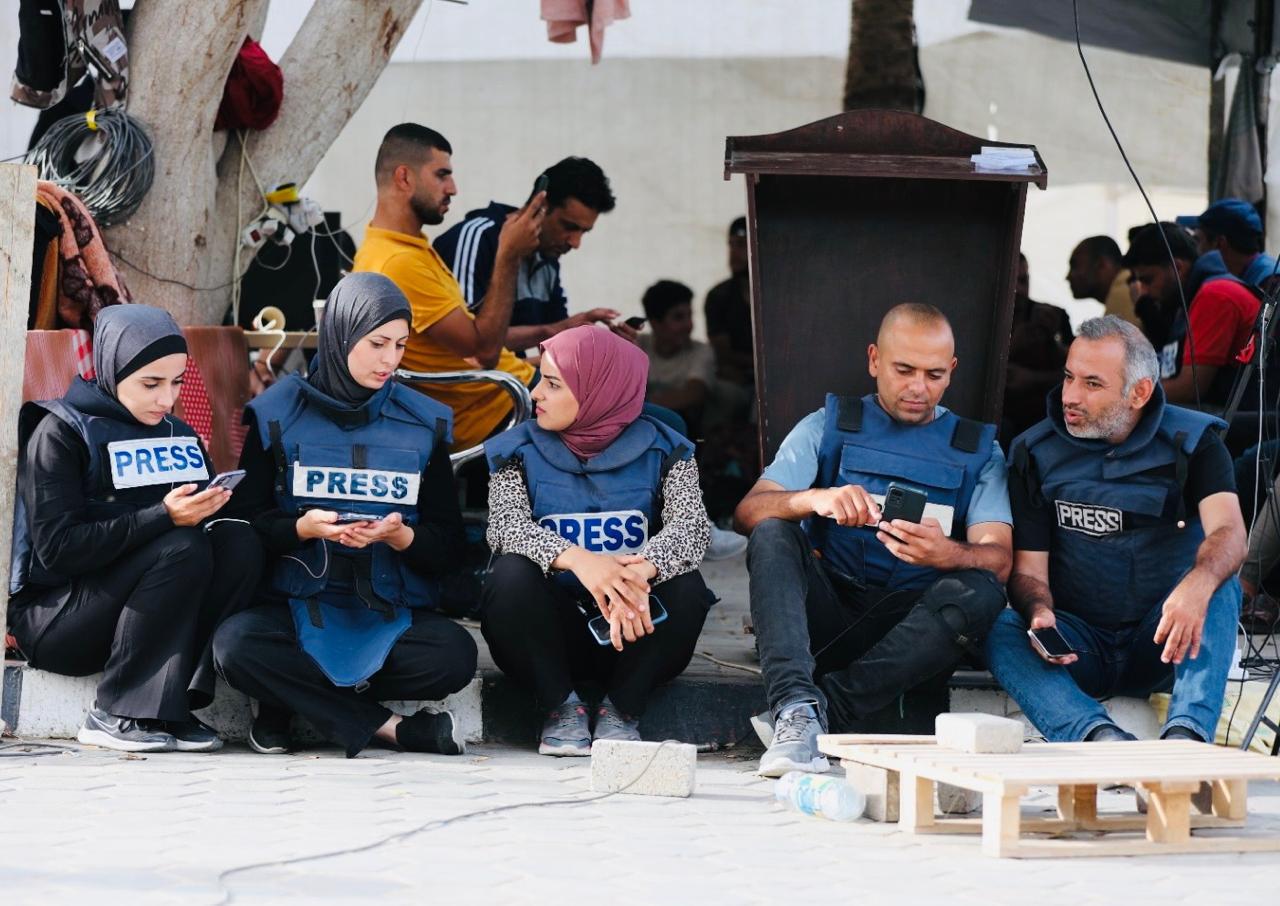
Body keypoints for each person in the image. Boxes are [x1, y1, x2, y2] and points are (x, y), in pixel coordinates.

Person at [734, 303, 1012, 777]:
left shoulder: (977, 448)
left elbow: (999, 559)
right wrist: (815, 499)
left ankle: (823, 714)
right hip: (829, 610)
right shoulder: (829, 426)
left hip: (912, 631)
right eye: (904, 370)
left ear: (952, 372)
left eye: (934, 374)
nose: (918, 387)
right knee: (773, 535)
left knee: (982, 589)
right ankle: (794, 703)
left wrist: (948, 553)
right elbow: (748, 512)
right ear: (874, 361)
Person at [213, 274, 477, 758]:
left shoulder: (423, 424)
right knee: (235, 646)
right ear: (340, 334)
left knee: (455, 656)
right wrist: (300, 527)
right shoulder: (275, 416)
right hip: (294, 608)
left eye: (399, 345)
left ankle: (281, 704)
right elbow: (245, 524)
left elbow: (450, 545)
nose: (390, 360)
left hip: (386, 611)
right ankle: (394, 729)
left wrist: (401, 538)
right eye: (377, 344)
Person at [6, 304, 262, 753]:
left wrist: (214, 508)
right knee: (180, 545)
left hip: (147, 606)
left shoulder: (179, 435)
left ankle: (173, 704)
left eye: (176, 383)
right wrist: (162, 516)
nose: (166, 399)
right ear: (111, 369)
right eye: (151, 383)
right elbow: (58, 551)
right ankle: (116, 712)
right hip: (58, 617)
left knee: (237, 541)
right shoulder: (62, 433)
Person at [986, 316, 1245, 743]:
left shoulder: (1194, 443)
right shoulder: (1034, 452)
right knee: (1000, 627)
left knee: (1220, 582)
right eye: (1069, 377)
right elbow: (1030, 572)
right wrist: (1039, 611)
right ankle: (1099, 740)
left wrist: (1197, 584)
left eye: (1092, 384)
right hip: (1078, 645)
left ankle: (1185, 741)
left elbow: (1230, 532)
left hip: (1166, 640)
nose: (1069, 396)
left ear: (1139, 392)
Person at [481, 326, 714, 755]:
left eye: (552, 383)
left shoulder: (668, 450)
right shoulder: (516, 450)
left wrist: (638, 572)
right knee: (509, 575)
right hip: (551, 634)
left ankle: (622, 710)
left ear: (599, 388)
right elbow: (506, 526)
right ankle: (560, 707)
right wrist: (581, 561)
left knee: (687, 587)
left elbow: (693, 530)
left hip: (636, 628)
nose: (536, 393)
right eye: (539, 380)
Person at [352, 123, 544, 452]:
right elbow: (483, 352)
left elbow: (466, 353)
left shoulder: (402, 248)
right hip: (501, 411)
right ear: (404, 177)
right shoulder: (398, 261)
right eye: (442, 175)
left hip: (512, 391)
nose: (453, 188)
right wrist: (508, 255)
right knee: (652, 423)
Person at [434, 156, 635, 355]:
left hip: (513, 380)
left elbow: (553, 344)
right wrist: (551, 331)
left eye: (584, 232)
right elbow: (462, 343)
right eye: (569, 226)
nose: (575, 243)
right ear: (539, 206)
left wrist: (598, 344)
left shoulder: (548, 259)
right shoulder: (477, 238)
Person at [1126, 222, 1260, 408]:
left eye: (1148, 280)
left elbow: (1190, 389)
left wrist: (1124, 394)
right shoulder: (1188, 297)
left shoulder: (1215, 295)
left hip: (1243, 419)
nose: (1144, 291)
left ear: (1178, 267)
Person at [1003, 252, 1072, 444]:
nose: (1017, 289)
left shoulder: (1052, 317)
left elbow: (1078, 372)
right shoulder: (981, 318)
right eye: (1011, 281)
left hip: (1045, 422)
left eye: (1023, 280)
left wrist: (1052, 342)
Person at [636, 279, 718, 435]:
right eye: (679, 317)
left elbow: (694, 394)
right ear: (655, 323)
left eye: (690, 315)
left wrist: (639, 405)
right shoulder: (638, 346)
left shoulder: (701, 351)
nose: (689, 325)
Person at [1177, 198, 1278, 291]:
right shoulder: (1250, 273)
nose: (1196, 249)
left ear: (1220, 243)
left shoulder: (1271, 282)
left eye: (1197, 241)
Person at [705, 216, 754, 386]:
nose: (733, 252)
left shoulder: (779, 294)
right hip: (736, 379)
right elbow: (723, 355)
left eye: (741, 244)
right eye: (731, 245)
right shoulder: (718, 296)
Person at [1066, 235, 1137, 327]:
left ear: (1101, 265)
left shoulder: (1122, 292)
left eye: (1075, 266)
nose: (1067, 277)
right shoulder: (1127, 286)